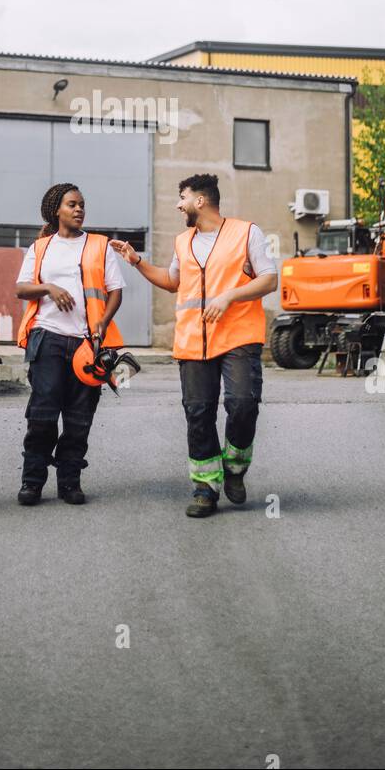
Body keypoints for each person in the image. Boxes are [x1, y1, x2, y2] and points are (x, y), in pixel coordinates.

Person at [112, 173, 278, 518]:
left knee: (243, 405)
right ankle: (205, 487)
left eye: (182, 197)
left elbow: (269, 278)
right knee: (199, 414)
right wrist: (137, 261)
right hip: (193, 342)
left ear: (200, 201)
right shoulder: (182, 242)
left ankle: (234, 468)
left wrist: (230, 295)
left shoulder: (247, 232)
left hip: (238, 337)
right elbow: (173, 282)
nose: (178, 204)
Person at [15, 182, 125, 506]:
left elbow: (115, 290)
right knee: (42, 415)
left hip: (86, 344)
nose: (79, 210)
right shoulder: (40, 247)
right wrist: (48, 287)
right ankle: (32, 482)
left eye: (82, 205)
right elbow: (21, 289)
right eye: (72, 204)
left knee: (79, 419)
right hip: (46, 337)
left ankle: (69, 482)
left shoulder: (100, 246)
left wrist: (103, 322)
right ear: (57, 210)